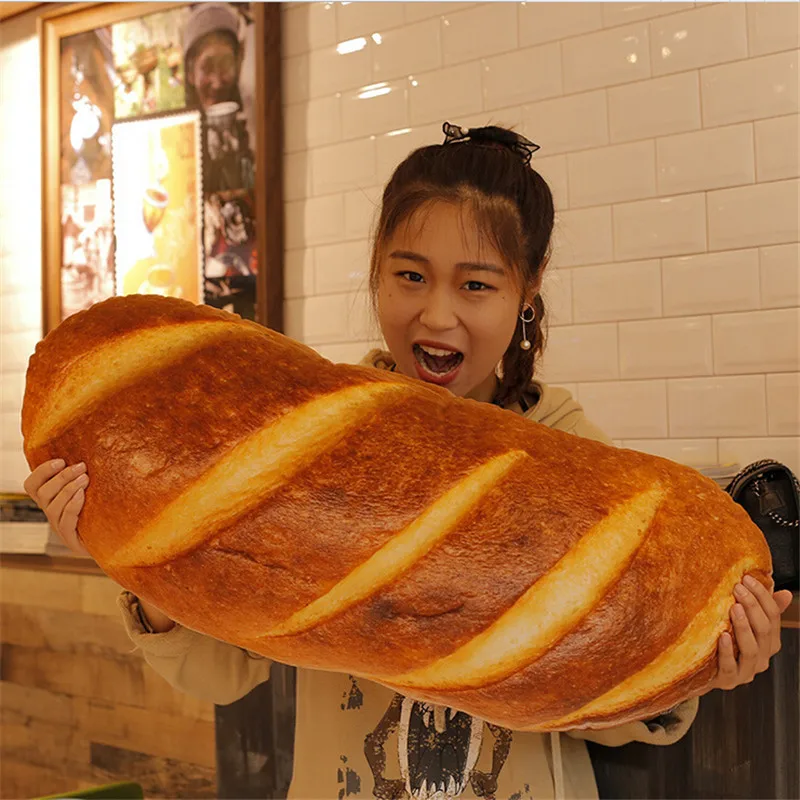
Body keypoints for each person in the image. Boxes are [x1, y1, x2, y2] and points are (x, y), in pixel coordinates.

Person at [25, 123, 793, 800]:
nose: (436, 312)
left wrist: (701, 664)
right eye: (411, 275)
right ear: (376, 272)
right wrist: (136, 554)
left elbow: (598, 699)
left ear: (526, 294)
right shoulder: (317, 442)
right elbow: (222, 673)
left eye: (476, 285)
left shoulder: (574, 459)